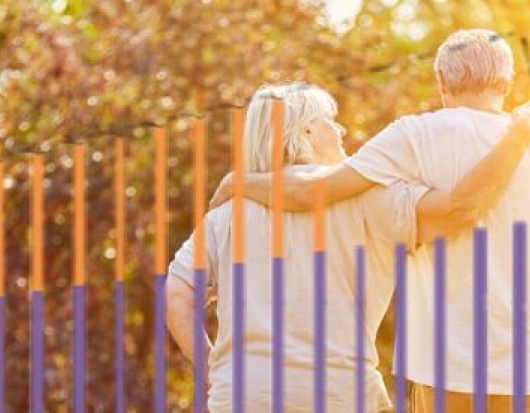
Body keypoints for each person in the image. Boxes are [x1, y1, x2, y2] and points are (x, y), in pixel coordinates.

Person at [210, 29, 530, 412]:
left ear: (442, 82)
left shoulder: (413, 135)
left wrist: (240, 181)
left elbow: (312, 193)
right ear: (508, 81)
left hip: (446, 367)